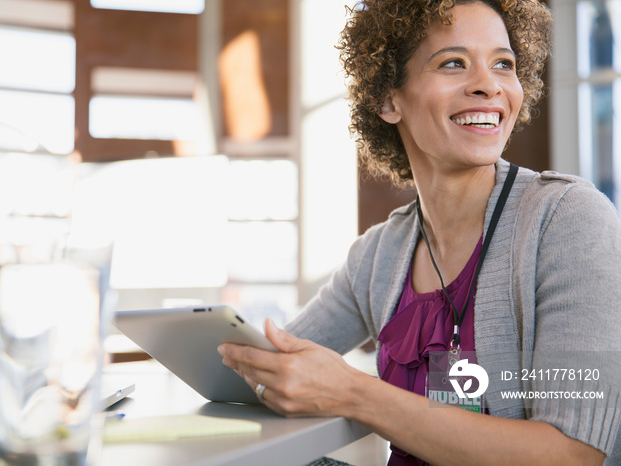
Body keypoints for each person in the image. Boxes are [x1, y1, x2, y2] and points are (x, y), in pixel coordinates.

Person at [218, 0, 621, 464]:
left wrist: (356, 394)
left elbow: (570, 456)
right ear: (389, 100)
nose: (488, 86)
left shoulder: (569, 220)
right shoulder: (379, 255)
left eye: (503, 64)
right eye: (453, 63)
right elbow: (268, 368)